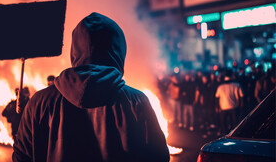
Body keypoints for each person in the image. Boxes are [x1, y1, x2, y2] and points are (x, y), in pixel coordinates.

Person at [13, 12, 169, 162]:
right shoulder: (136, 102)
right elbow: (158, 157)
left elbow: (22, 156)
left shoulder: (39, 102)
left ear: (74, 51)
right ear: (118, 50)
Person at [215, 70, 244, 134]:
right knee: (234, 123)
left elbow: (217, 98)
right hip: (234, 107)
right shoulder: (237, 85)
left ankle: (225, 134)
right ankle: (234, 134)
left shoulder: (220, 87)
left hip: (223, 107)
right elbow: (241, 96)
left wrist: (217, 107)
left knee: (224, 123)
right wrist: (241, 104)